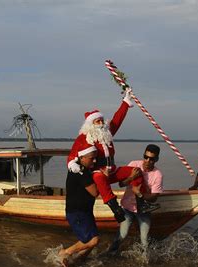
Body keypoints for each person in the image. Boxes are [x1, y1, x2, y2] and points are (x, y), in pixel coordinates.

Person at [67, 88, 159, 224]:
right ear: (90, 124)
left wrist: (126, 102)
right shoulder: (84, 137)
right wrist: (73, 165)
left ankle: (141, 204)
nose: (100, 123)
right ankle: (116, 209)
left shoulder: (107, 132)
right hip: (98, 172)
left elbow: (118, 119)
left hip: (112, 170)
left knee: (136, 171)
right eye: (97, 121)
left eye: (101, 120)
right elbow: (72, 156)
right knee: (98, 177)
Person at [108, 144, 163, 254]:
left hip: (143, 210)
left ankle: (145, 260)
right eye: (145, 157)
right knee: (122, 235)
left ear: (156, 159)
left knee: (144, 240)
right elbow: (121, 184)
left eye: (151, 159)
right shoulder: (134, 164)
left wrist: (140, 194)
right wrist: (132, 177)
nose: (147, 161)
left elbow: (154, 198)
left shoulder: (157, 175)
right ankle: (110, 253)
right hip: (127, 207)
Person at [59, 145, 99, 267]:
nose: (94, 161)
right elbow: (95, 192)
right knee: (93, 241)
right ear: (82, 157)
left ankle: (77, 261)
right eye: (92, 158)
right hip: (77, 212)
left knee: (92, 241)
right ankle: (66, 253)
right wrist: (101, 177)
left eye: (95, 158)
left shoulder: (78, 168)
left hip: (84, 211)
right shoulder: (81, 172)